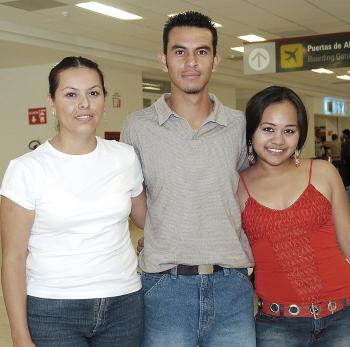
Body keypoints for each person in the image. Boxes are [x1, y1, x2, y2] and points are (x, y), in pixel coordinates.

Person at [121, 11, 255, 347]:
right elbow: (134, 199)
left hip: (232, 286)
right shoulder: (137, 126)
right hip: (164, 288)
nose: (190, 62)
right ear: (164, 60)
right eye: (180, 51)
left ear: (216, 60)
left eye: (202, 51)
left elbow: (252, 186)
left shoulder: (239, 126)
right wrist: (161, 232)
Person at [0, 56, 146, 347]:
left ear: (104, 100)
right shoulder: (27, 169)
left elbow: (147, 220)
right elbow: (13, 258)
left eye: (93, 93)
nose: (84, 104)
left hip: (124, 303)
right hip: (54, 309)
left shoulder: (124, 157)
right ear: (52, 103)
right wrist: (19, 335)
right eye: (71, 94)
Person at [238, 86, 350, 347]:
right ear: (251, 130)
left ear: (299, 136)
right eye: (268, 129)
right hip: (278, 326)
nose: (278, 140)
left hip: (343, 316)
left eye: (289, 131)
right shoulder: (237, 187)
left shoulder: (323, 173)